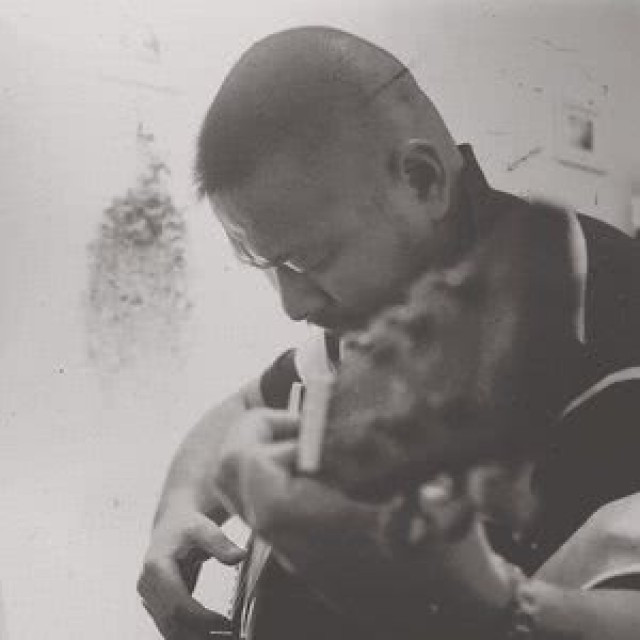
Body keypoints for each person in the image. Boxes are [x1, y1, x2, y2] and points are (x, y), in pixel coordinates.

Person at [137, 26, 640, 639]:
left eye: (309, 261)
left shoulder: (612, 326)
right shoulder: (393, 298)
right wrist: (178, 511)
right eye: (266, 265)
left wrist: (480, 604)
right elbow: (249, 404)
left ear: (422, 180)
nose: (293, 305)